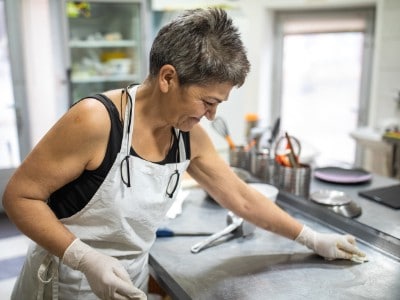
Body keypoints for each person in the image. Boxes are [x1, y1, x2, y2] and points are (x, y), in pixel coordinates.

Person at [2, 7, 365, 300]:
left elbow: (241, 197)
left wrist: (313, 238)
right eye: (208, 101)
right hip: (64, 283)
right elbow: (20, 196)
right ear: (167, 78)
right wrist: (85, 258)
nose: (212, 115)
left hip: (131, 281)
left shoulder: (189, 137)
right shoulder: (97, 121)